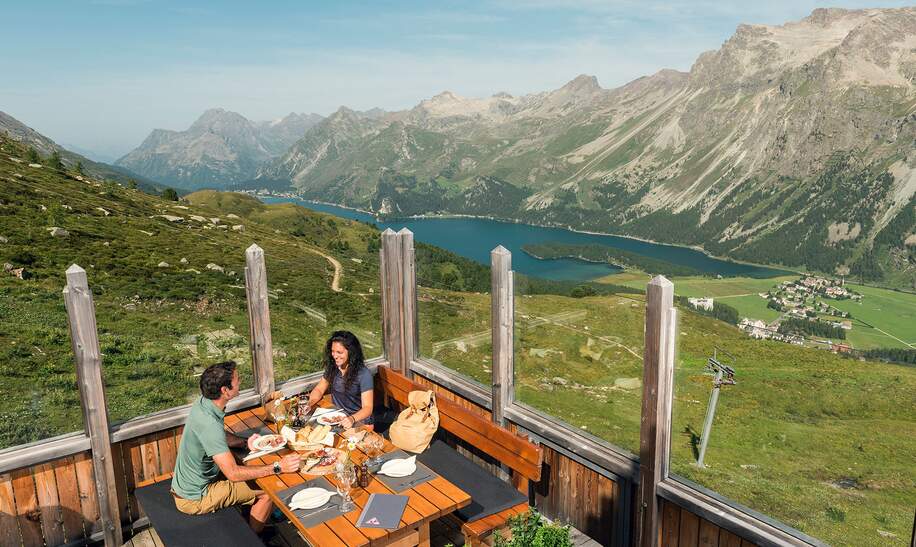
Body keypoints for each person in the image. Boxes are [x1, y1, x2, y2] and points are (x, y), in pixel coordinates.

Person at [171, 361, 300, 533]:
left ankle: (251, 518)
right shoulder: (210, 424)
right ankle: (254, 539)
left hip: (187, 485)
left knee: (253, 475)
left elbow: (218, 436)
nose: (240, 381)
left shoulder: (203, 404)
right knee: (268, 491)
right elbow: (233, 474)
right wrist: (278, 467)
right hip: (195, 497)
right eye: (237, 379)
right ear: (225, 390)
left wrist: (244, 443)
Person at [304, 330, 374, 430]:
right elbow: (319, 389)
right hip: (337, 417)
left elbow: (368, 408)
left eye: (339, 352)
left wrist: (352, 419)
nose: (335, 356)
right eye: (333, 351)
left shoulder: (363, 374)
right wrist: (310, 403)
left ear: (351, 352)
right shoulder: (333, 367)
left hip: (359, 421)